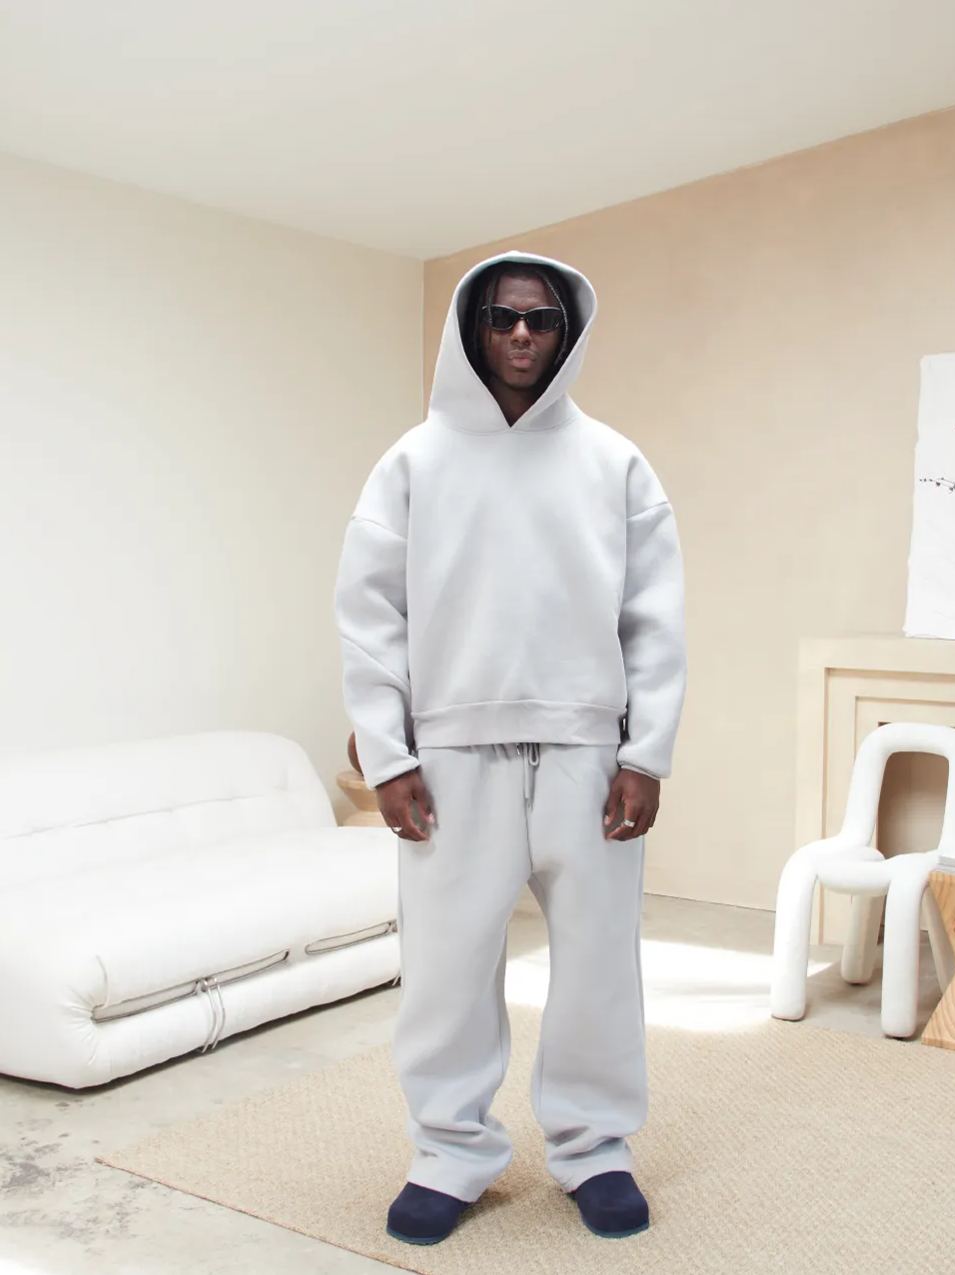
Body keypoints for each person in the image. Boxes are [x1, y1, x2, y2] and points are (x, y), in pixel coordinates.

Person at [333, 249, 687, 1245]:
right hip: (451, 759)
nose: (522, 334)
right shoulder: (413, 461)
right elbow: (369, 617)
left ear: (568, 330)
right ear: (471, 328)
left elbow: (654, 619)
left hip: (587, 755)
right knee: (444, 968)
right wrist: (388, 754)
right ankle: (448, 1151)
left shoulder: (614, 462)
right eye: (502, 316)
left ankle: (594, 1146)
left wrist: (645, 754)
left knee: (599, 963)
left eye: (541, 319)